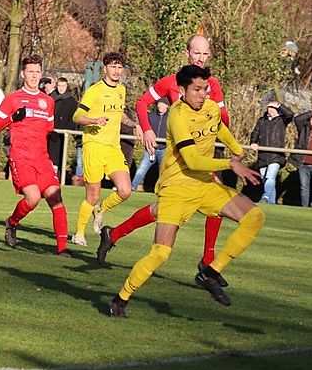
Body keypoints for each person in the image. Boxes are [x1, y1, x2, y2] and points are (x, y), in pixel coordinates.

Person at [108, 65, 264, 318]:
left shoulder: (211, 107)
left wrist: (236, 149)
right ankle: (121, 299)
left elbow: (218, 127)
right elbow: (191, 160)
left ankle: (210, 272)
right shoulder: (177, 116)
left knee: (255, 217)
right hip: (176, 189)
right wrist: (230, 163)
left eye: (206, 89)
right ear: (182, 90)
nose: (203, 95)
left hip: (204, 185)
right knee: (161, 253)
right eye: (197, 90)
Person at [96, 35, 232, 284]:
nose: (201, 58)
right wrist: (147, 129)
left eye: (205, 54)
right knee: (167, 214)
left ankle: (207, 262)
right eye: (197, 53)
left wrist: (215, 118)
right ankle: (113, 235)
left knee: (216, 206)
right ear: (187, 53)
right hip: (179, 163)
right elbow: (142, 103)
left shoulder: (213, 84)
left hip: (202, 160)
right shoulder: (171, 82)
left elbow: (225, 120)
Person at [0, 55, 71, 256]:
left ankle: (62, 249)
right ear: (23, 74)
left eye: (37, 72)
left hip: (42, 159)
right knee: (32, 198)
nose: (34, 75)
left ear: (41, 74)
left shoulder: (47, 101)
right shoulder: (13, 99)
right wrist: (12, 118)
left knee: (56, 199)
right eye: (30, 72)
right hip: (21, 158)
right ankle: (12, 222)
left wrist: (51, 136)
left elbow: (48, 127)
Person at [70, 52, 133, 246]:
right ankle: (79, 233)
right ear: (105, 68)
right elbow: (77, 116)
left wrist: (135, 124)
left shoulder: (121, 89)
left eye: (119, 67)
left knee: (125, 191)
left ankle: (101, 209)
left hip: (113, 149)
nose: (116, 70)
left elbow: (120, 114)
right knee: (93, 195)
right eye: (113, 66)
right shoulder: (94, 90)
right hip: (94, 146)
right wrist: (94, 120)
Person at [250, 101, 294, 204]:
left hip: (276, 155)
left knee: (270, 177)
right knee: (266, 179)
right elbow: (255, 133)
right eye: (269, 107)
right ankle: (271, 203)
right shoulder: (262, 121)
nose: (270, 109)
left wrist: (279, 105)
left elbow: (290, 114)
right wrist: (253, 142)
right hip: (263, 155)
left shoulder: (282, 120)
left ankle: (265, 196)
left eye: (273, 107)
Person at [131, 97, 170, 191]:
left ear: (167, 106)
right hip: (150, 149)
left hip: (163, 149)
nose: (160, 106)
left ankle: (162, 190)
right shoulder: (151, 116)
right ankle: (132, 186)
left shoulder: (170, 118)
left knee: (163, 171)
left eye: (162, 104)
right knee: (142, 169)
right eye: (159, 103)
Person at [48, 77, 77, 176]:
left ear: (67, 86)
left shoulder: (71, 101)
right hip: (50, 131)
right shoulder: (50, 98)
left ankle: (58, 176)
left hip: (63, 133)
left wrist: (67, 129)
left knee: (60, 156)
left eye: (63, 86)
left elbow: (72, 117)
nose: (61, 88)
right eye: (59, 86)